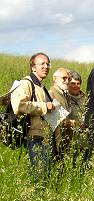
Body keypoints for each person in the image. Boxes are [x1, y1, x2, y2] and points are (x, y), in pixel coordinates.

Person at [11, 52, 54, 180]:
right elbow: (18, 106)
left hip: (44, 135)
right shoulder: (26, 83)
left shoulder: (41, 86)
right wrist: (45, 106)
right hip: (34, 135)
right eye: (42, 64)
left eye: (48, 64)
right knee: (39, 175)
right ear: (33, 67)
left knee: (44, 174)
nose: (46, 66)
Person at [49, 68, 72, 158]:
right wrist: (69, 122)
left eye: (69, 79)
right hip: (55, 141)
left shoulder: (64, 95)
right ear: (54, 79)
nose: (67, 81)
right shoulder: (51, 94)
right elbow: (53, 120)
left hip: (64, 140)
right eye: (64, 78)